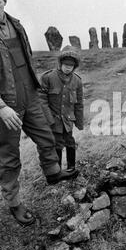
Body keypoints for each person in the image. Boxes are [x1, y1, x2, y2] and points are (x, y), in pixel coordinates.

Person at [0, 0, 76, 227]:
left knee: (47, 136)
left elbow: (26, 60)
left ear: (5, 0)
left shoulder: (16, 25)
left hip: (30, 96)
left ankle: (53, 173)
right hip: (5, 106)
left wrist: (36, 92)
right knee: (9, 156)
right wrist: (0, 107)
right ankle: (14, 203)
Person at [38, 46, 84, 175]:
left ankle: (71, 168)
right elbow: (41, 100)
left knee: (70, 142)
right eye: (65, 64)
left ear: (75, 66)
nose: (68, 67)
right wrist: (49, 119)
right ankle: (57, 172)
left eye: (71, 65)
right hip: (54, 121)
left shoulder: (77, 81)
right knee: (56, 145)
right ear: (60, 63)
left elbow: (79, 103)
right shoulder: (48, 77)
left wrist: (79, 123)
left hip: (68, 121)